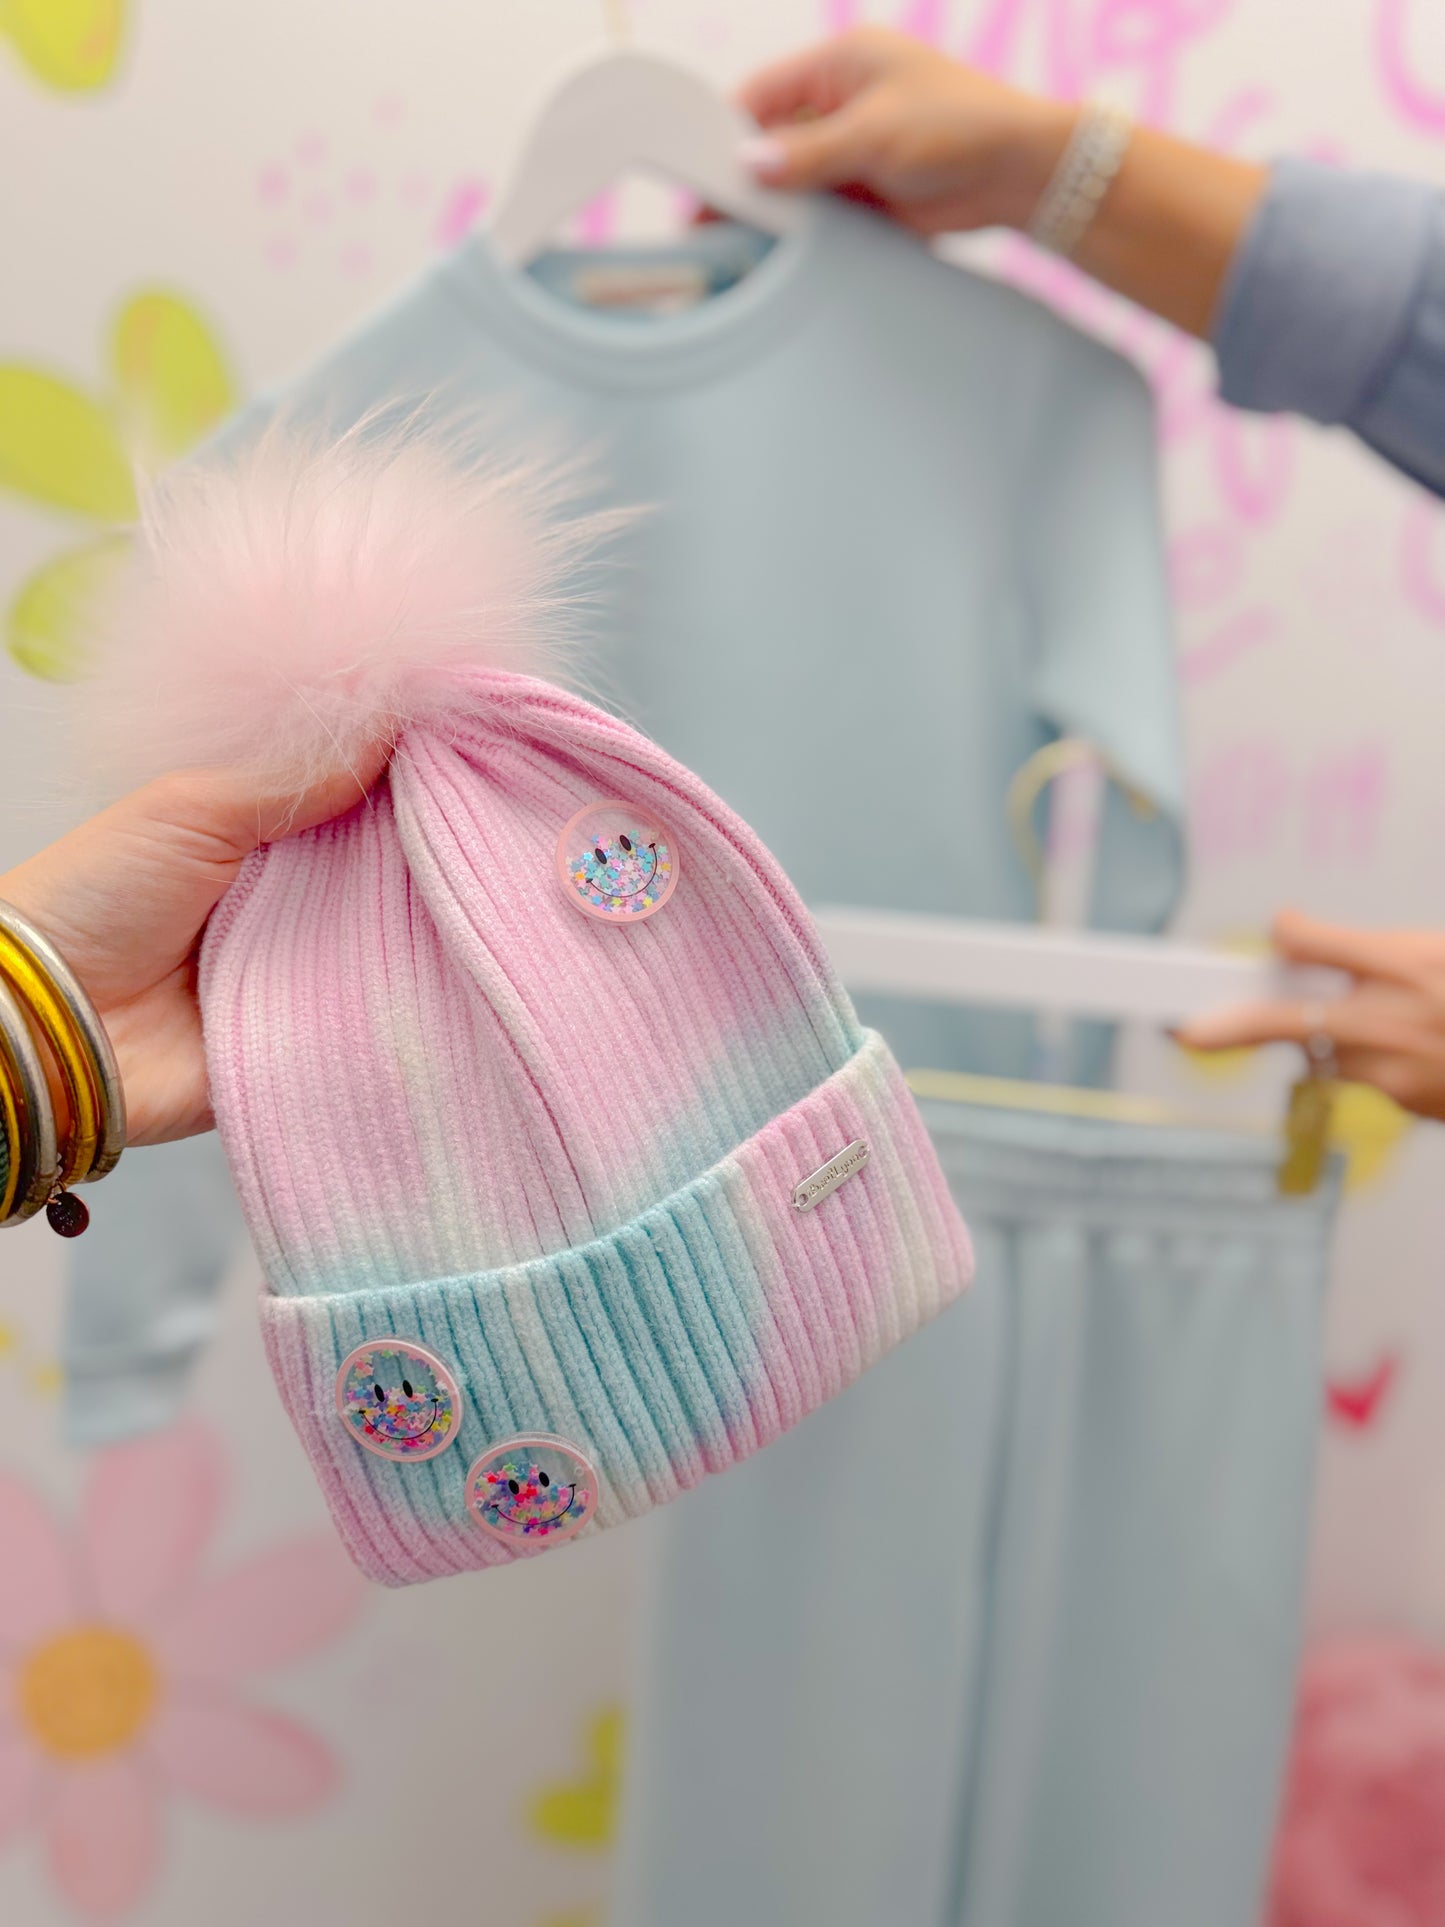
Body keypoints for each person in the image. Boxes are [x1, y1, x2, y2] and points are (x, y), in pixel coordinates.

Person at [5, 21, 1445, 1180]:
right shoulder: (302, 459)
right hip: (855, 1167)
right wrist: (1051, 1122)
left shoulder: (1039, 396)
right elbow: (1136, 825)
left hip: (743, 1192)